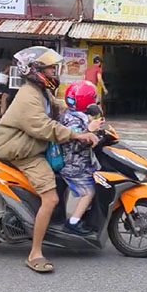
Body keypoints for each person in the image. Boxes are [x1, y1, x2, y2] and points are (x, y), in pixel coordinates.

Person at [0, 46, 98, 274]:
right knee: (50, 198)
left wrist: (80, 115)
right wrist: (76, 134)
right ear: (35, 70)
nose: (54, 71)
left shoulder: (41, 91)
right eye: (50, 67)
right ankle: (35, 253)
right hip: (24, 151)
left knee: (64, 173)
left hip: (34, 145)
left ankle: (58, 222)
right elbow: (44, 127)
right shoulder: (28, 96)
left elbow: (58, 109)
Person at [57, 81, 105, 235]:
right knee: (88, 192)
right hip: (73, 165)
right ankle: (72, 223)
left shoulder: (74, 115)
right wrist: (89, 130)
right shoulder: (71, 120)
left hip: (81, 163)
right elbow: (74, 146)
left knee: (100, 182)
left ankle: (85, 217)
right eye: (93, 98)